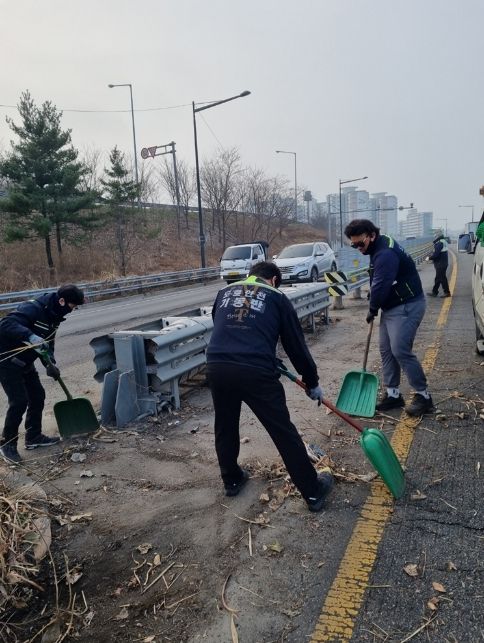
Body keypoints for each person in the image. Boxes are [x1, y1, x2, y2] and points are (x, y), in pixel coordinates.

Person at [206, 261, 333, 512]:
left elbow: (226, 326)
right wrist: (312, 382)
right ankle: (313, 491)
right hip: (256, 372)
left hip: (217, 366)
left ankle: (231, 480)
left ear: (250, 275)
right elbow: (296, 346)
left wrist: (264, 353)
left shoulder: (224, 292)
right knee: (282, 431)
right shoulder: (276, 297)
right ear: (274, 280)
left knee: (225, 425)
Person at [344, 219, 434, 416]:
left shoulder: (385, 253)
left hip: (407, 304)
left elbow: (381, 283)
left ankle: (424, 396)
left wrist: (372, 308)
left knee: (400, 350)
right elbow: (379, 278)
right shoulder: (378, 244)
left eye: (360, 243)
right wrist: (376, 299)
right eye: (354, 245)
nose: (358, 248)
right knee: (386, 350)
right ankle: (393, 395)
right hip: (392, 305)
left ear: (372, 235)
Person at [0, 284, 85, 464]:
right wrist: (30, 336)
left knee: (38, 395)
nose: (73, 310)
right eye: (73, 306)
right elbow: (6, 324)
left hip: (26, 362)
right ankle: (7, 444)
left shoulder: (55, 316)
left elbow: (47, 343)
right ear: (62, 301)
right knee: (19, 401)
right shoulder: (33, 308)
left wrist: (50, 363)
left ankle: (33, 437)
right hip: (7, 362)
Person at [426, 232, 450, 297]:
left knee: (442, 278)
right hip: (443, 263)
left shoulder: (439, 243)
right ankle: (435, 292)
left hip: (440, 264)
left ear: (438, 237)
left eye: (435, 236)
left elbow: (436, 254)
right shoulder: (443, 242)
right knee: (438, 278)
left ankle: (447, 292)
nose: (434, 238)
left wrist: (429, 258)